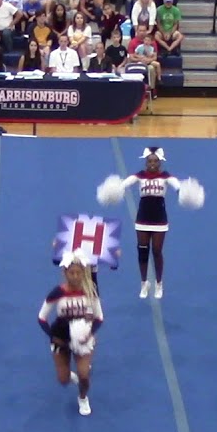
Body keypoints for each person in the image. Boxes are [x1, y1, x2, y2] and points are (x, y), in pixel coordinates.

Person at [38, 250, 104, 416]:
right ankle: (69, 375)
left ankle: (83, 397)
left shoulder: (91, 292)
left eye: (78, 273)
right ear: (65, 273)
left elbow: (99, 318)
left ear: (84, 273)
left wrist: (90, 335)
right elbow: (42, 317)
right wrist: (53, 337)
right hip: (61, 338)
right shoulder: (58, 293)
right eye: (71, 273)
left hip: (83, 338)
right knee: (63, 380)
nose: (75, 276)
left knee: (84, 375)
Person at [113, 147, 183, 299]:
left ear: (160, 163)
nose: (152, 164)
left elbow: (178, 187)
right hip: (143, 218)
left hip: (159, 219)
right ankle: (144, 283)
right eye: (149, 161)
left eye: (155, 161)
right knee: (142, 251)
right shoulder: (140, 176)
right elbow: (124, 184)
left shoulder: (166, 177)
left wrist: (183, 192)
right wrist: (116, 189)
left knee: (157, 251)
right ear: (146, 162)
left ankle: (159, 283)